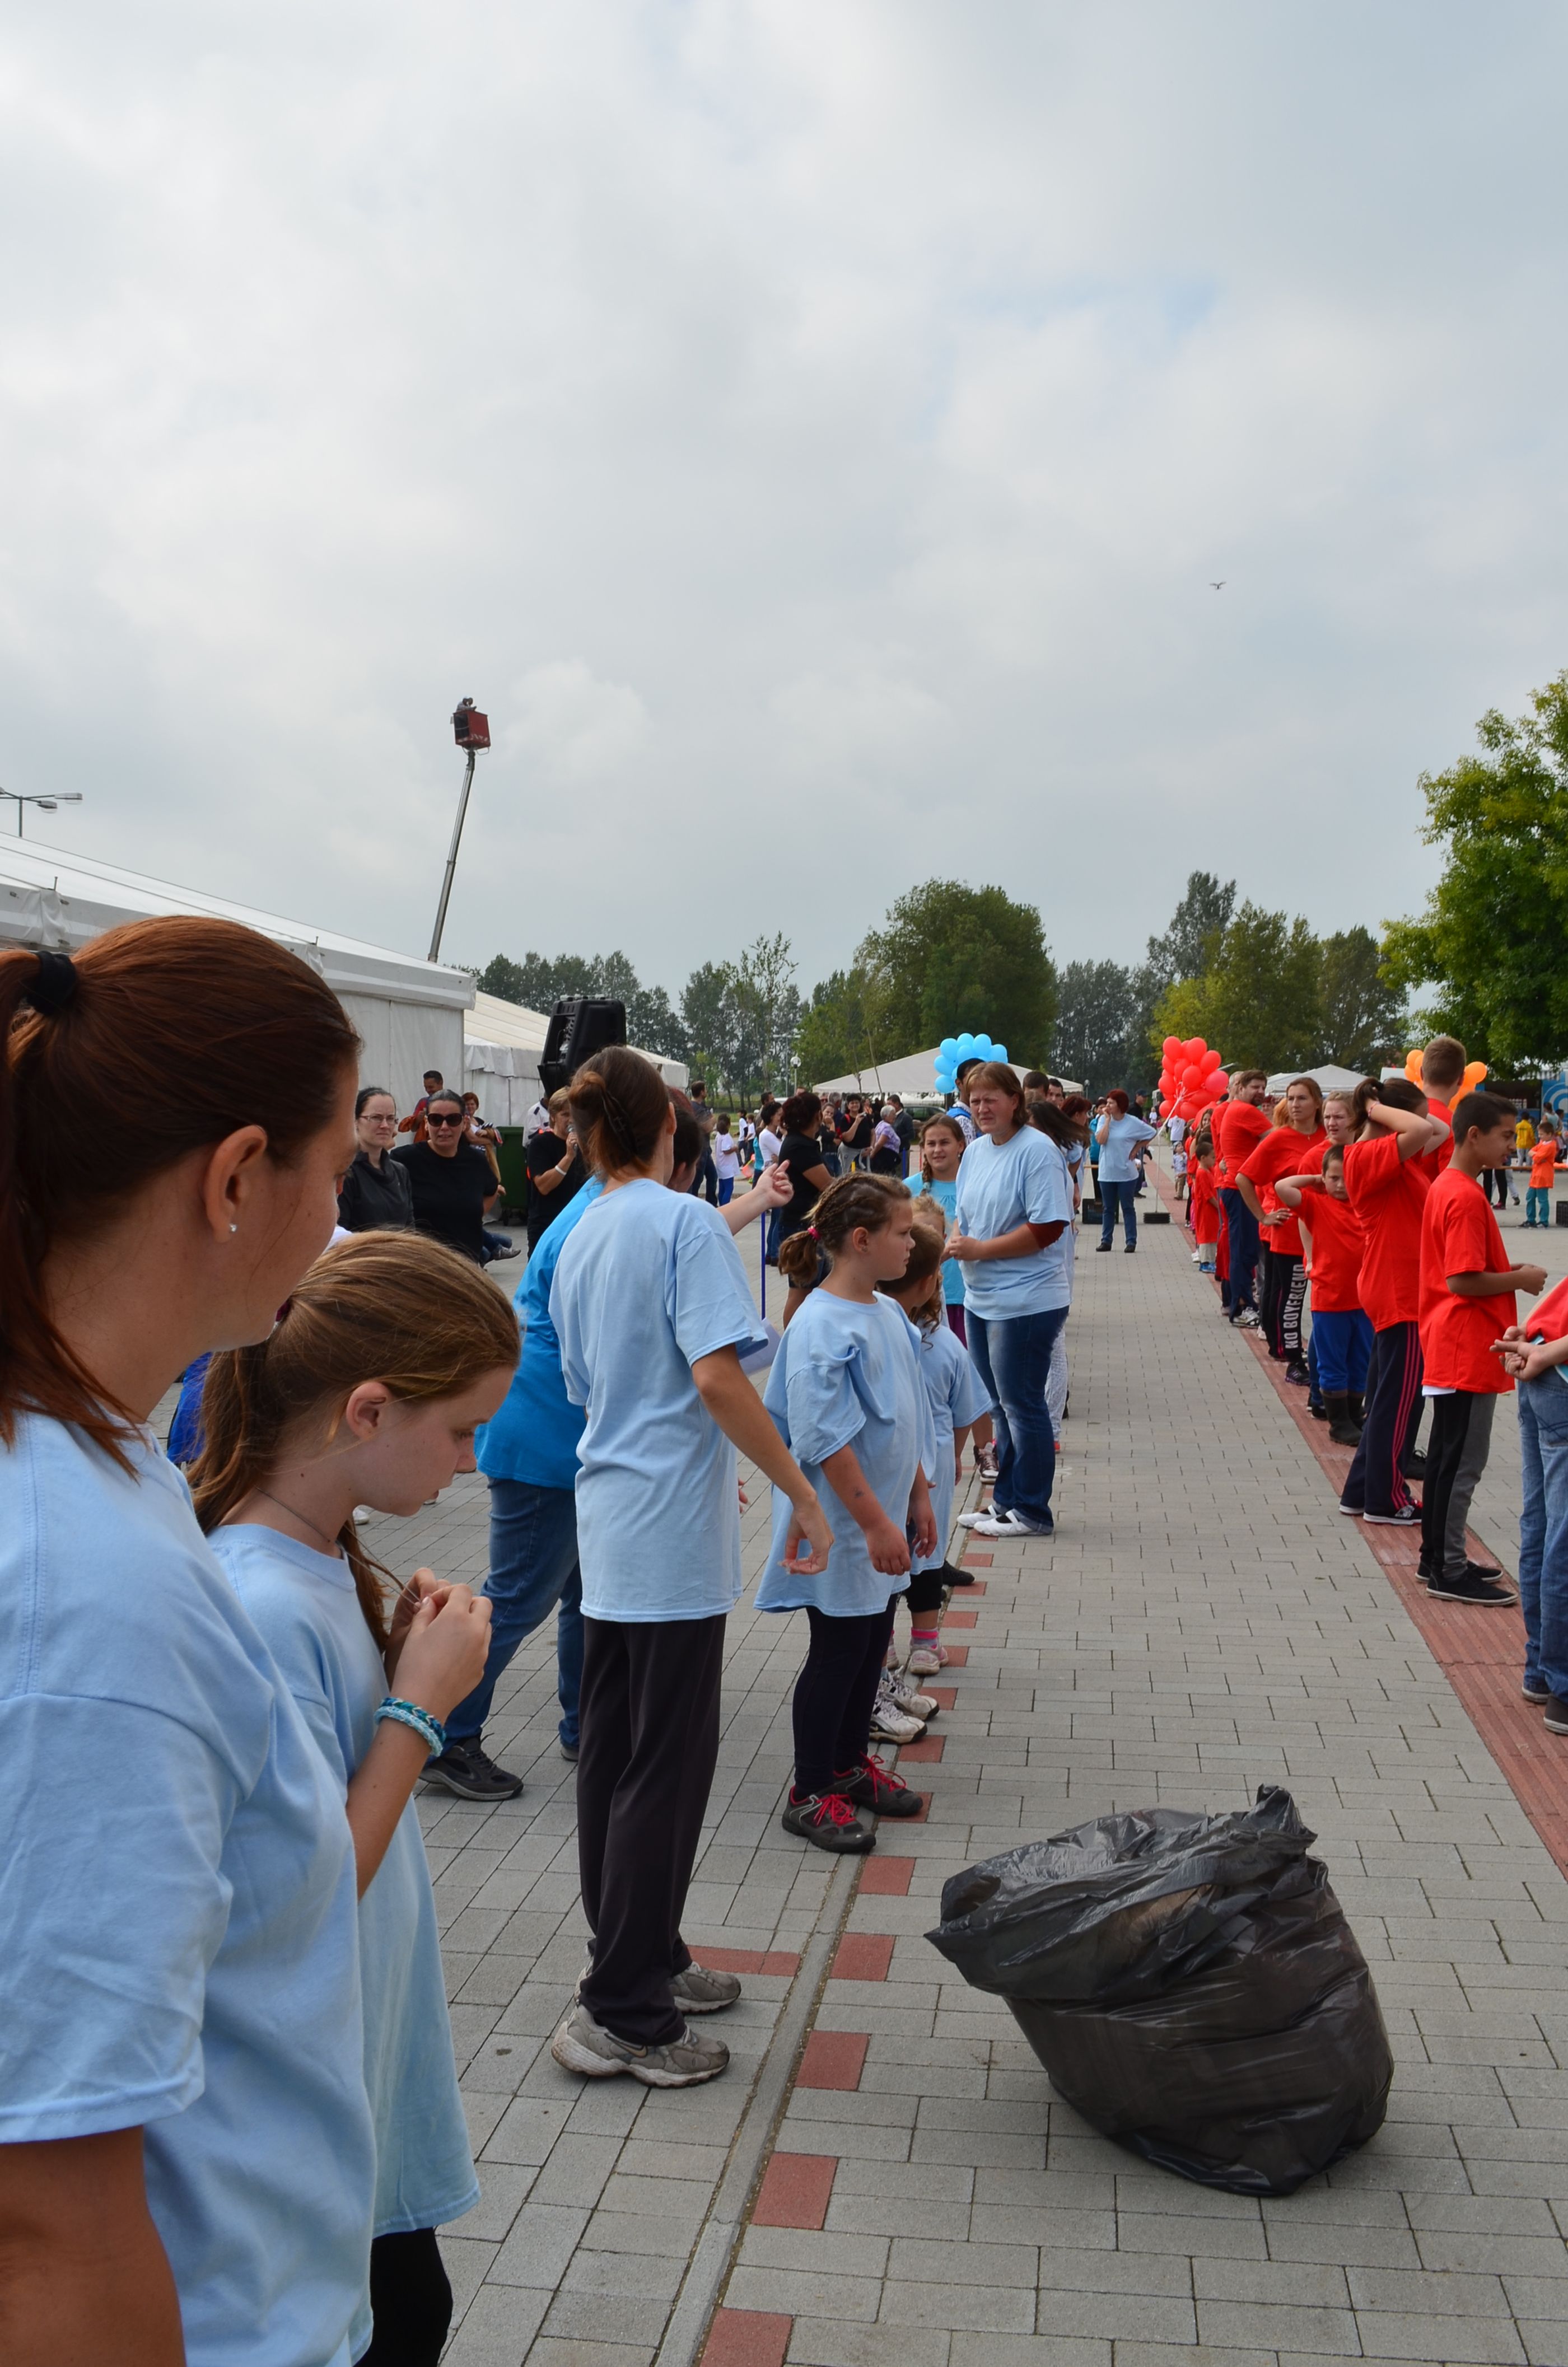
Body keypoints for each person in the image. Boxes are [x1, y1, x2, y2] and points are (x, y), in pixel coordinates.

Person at [0, 919, 376, 2365]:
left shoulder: (94, 1466)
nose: (338, 1219)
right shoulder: (90, 1590)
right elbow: (49, 2222)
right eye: (333, 1170)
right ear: (234, 1178)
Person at [193, 1234, 514, 2366]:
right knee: (403, 2316)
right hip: (299, 2079)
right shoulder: (261, 1600)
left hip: (348, 2055)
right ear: (367, 1409)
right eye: (462, 1429)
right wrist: (420, 1709)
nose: (472, 1462)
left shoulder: (316, 1554)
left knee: (410, 2304)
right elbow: (304, 1888)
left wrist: (392, 1660)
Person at [548, 1049, 832, 2087]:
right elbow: (718, 1376)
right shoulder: (680, 1222)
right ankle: (624, 2006)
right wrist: (800, 1489)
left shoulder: (580, 1229)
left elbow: (599, 1385)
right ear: (670, 1126)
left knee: (618, 1755)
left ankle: (643, 1951)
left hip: (614, 1512)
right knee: (662, 1768)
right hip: (663, 1530)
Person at [428, 1114, 792, 1805]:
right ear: (671, 1156)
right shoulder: (610, 1216)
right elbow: (679, 1270)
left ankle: (587, 1724)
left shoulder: (602, 1205)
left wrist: (755, 1200)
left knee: (581, 1594)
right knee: (520, 1595)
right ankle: (445, 1734)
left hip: (567, 1435)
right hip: (545, 1438)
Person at [763, 1178, 937, 1854]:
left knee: (869, 1646)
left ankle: (845, 1765)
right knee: (837, 1652)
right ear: (861, 1241)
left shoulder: (887, 1311)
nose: (911, 1243)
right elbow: (823, 1438)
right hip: (843, 1525)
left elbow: (906, 1412)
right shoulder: (821, 1325)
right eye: (902, 1232)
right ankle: (810, 1790)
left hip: (884, 1518)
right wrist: (873, 1523)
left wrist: (916, 1493)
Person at [1415, 1093, 1543, 1605]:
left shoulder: (1447, 1185)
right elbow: (1462, 1280)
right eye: (1506, 1135)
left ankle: (1435, 1556)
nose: (1512, 1145)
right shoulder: (1465, 1196)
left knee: (1446, 1458)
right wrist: (1520, 1278)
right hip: (1466, 1343)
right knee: (1462, 1462)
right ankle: (1447, 1569)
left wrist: (1508, 1273)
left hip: (1453, 1340)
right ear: (1474, 1135)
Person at [946, 1061, 1073, 1540]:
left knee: (1023, 1405)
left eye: (991, 1099)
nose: (981, 1108)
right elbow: (964, 1214)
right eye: (974, 1100)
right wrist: (956, 1242)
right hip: (981, 1295)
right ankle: (1006, 1501)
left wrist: (981, 1250)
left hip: (1027, 1299)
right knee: (999, 1406)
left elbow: (1048, 1226)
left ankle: (1033, 1510)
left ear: (1015, 1101)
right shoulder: (977, 1151)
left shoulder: (1037, 1151)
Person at [880, 1214, 993, 1675]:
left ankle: (883, 1646)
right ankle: (926, 1644)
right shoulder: (947, 1345)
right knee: (927, 1553)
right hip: (934, 1467)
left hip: (886, 1469)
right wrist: (955, 1454)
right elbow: (967, 1411)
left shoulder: (875, 1331)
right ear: (932, 1284)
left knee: (888, 1558)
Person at [1338, 1078, 1450, 1525]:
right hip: (1399, 1291)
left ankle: (1360, 1490)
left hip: (1400, 1287)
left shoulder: (1392, 1156)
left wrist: (1383, 1109)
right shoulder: (1368, 1154)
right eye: (1410, 1115)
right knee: (1398, 1403)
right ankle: (1385, 1499)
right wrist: (1372, 1106)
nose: (1419, 1123)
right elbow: (1423, 1130)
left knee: (1389, 1397)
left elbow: (1437, 1131)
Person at [1499, 1274, 1568, 1729]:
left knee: (1542, 1525)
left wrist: (1537, 1336)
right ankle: (1563, 1686)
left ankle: (1542, 1670)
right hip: (1554, 1364)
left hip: (1544, 1356)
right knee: (1559, 1536)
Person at [1273, 1146, 1368, 1443]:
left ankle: (1354, 1415)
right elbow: (1282, 1187)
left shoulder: (1367, 1206)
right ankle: (1338, 1421)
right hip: (1330, 1301)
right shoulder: (1317, 1204)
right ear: (1324, 1178)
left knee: (1361, 1361)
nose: (1340, 1185)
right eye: (1334, 1178)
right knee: (1332, 1362)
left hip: (1365, 1301)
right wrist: (1315, 1179)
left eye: (1347, 1178)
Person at [918, 1114, 996, 1474]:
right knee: (936, 1378)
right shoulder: (911, 1189)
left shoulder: (973, 1184)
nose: (937, 1150)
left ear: (961, 1145)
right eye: (930, 1143)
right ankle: (943, 1450)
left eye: (945, 1143)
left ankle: (985, 1449)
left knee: (975, 1377)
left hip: (967, 1294)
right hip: (924, 1298)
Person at [1238, 1077, 1326, 1382]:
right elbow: (1243, 1178)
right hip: (1290, 1233)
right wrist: (1263, 1216)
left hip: (1329, 1232)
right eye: (1291, 1098)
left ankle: (1307, 1353)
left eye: (1302, 1098)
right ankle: (1291, 1356)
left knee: (1321, 1299)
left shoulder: (1329, 1136)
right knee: (1291, 1297)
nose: (1295, 1104)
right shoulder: (1279, 1139)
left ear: (1317, 1102)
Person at [1214, 1071, 1271, 1324]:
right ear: (1240, 1088)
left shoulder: (1236, 1109)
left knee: (1243, 1248)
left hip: (1237, 1187)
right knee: (1243, 1249)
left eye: (1263, 1087)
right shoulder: (1245, 1111)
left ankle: (1240, 1302)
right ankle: (1242, 1305)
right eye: (1255, 1087)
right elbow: (1276, 1140)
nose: (1261, 1092)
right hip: (1239, 1188)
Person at [774, 1090, 837, 1280]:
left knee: (815, 1286)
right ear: (818, 1116)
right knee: (803, 1288)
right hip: (800, 1225)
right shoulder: (799, 1146)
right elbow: (828, 1186)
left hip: (808, 1223)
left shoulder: (804, 1142)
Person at [339, 1086, 417, 1232]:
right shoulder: (346, 1172)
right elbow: (340, 1232)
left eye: (391, 1119)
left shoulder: (400, 1172)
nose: (385, 1125)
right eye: (376, 1118)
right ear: (355, 1121)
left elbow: (410, 1227)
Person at [524, 1088, 588, 1251]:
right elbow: (543, 1186)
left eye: (575, 1115)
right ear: (553, 1116)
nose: (571, 1120)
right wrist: (569, 1157)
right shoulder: (540, 1144)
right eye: (565, 1115)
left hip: (577, 1225)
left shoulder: (586, 1146)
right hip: (547, 1227)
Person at [1094, 1089, 1157, 1252]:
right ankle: (1106, 1241)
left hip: (1126, 1173)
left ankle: (1131, 1241)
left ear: (1120, 1105)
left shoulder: (1132, 1122)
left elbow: (1152, 1132)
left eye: (1111, 1103)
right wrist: (1108, 1121)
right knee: (1108, 1208)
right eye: (1107, 1102)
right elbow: (1101, 1140)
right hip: (1107, 1172)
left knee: (1128, 1208)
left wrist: (1138, 1147)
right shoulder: (1103, 1119)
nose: (1107, 1106)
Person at [687, 1081, 720, 1207]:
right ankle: (692, 1204)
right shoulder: (697, 1108)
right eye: (705, 1089)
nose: (707, 1092)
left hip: (705, 1149)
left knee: (712, 1176)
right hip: (700, 1150)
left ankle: (712, 1204)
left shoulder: (701, 1106)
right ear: (701, 1092)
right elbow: (708, 1127)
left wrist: (711, 1120)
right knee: (697, 1180)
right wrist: (713, 1119)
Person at [1527, 1121, 1561, 1229]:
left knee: (1542, 1199)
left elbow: (1536, 1158)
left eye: (1542, 1134)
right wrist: (1537, 1155)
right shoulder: (1543, 1143)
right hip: (1536, 1175)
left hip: (1544, 1175)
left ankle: (1544, 1220)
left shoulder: (1551, 1146)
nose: (1539, 1136)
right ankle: (1531, 1219)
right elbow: (1532, 1152)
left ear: (1550, 1134)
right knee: (1530, 1197)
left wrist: (1536, 1155)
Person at [399, 1068, 445, 1140]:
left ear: (440, 1083)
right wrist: (418, 1120)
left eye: (431, 1087)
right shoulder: (423, 1102)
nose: (428, 1090)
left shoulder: (454, 1102)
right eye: (426, 1087)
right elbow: (413, 1129)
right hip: (426, 1144)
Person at [869, 1101, 904, 1176]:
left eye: (895, 1114)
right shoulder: (887, 1127)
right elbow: (880, 1143)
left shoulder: (881, 1124)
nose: (895, 1117)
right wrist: (873, 1154)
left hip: (883, 1157)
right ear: (886, 1116)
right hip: (885, 1159)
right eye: (893, 1114)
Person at [712, 1115, 740, 1206]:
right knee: (729, 1188)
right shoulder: (726, 1137)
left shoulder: (718, 1136)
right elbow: (726, 1150)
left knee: (722, 1188)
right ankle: (725, 1205)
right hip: (727, 1166)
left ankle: (722, 1205)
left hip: (721, 1165)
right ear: (728, 1125)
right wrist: (735, 1148)